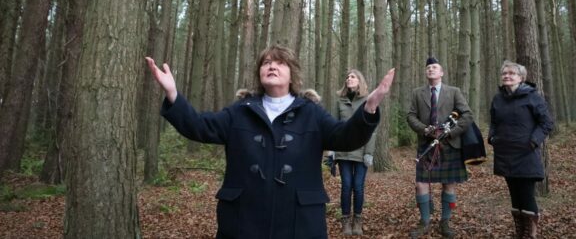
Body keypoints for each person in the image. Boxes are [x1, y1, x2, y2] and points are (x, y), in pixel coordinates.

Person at [145, 45, 395, 239]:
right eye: (266, 62)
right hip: (243, 222)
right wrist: (173, 95)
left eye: (279, 63)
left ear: (291, 73)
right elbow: (199, 126)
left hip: (300, 223)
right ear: (259, 72)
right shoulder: (240, 111)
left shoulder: (311, 113)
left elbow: (345, 137)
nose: (272, 66)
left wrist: (369, 109)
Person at [407, 57, 473, 238]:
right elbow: (411, 116)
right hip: (426, 144)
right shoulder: (417, 93)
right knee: (420, 185)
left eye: (434, 67)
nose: (431, 69)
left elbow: (467, 115)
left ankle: (445, 221)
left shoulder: (454, 92)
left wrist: (452, 132)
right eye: (428, 67)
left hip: (449, 144)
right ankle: (425, 222)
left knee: (449, 185)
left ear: (442, 72)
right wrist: (424, 129)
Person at [488, 61, 554, 239]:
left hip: (526, 154)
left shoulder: (532, 97)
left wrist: (533, 142)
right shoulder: (498, 98)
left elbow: (547, 123)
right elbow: (494, 122)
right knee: (514, 196)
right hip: (505, 154)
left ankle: (530, 233)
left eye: (512, 73)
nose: (507, 76)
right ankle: (520, 231)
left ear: (521, 78)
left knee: (526, 195)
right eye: (504, 73)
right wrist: (492, 137)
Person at [331, 69, 376, 236]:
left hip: (361, 150)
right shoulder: (340, 101)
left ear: (360, 81)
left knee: (358, 186)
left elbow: (373, 129)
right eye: (347, 76)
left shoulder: (368, 100)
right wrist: (332, 151)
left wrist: (369, 152)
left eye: (352, 76)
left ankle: (358, 219)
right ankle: (345, 221)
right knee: (346, 186)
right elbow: (333, 127)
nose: (349, 79)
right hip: (343, 151)